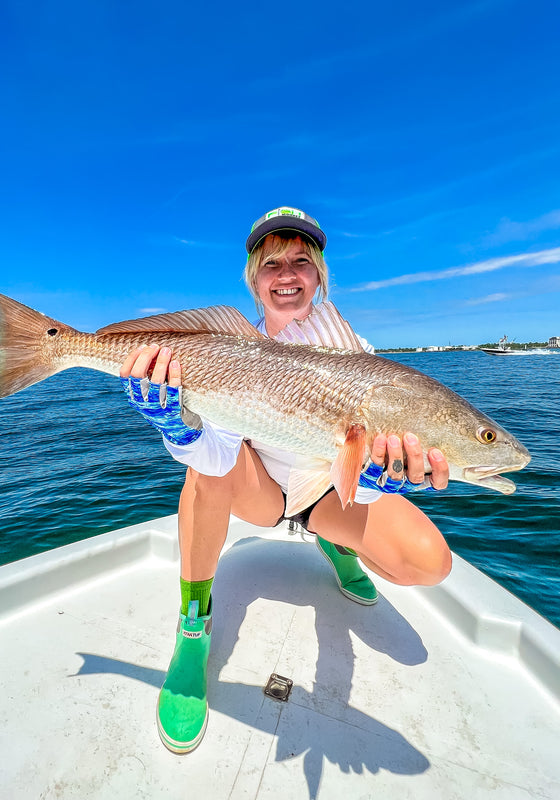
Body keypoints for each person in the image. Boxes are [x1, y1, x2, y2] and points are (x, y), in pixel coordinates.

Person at [119, 206, 452, 753]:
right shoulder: (231, 350)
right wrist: (175, 428)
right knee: (204, 473)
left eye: (302, 260)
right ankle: (193, 626)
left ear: (319, 274)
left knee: (428, 561)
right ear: (254, 280)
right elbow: (216, 452)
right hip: (263, 491)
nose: (288, 274)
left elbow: (358, 471)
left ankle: (335, 543)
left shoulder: (358, 357)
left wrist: (376, 480)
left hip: (322, 493)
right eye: (272, 263)